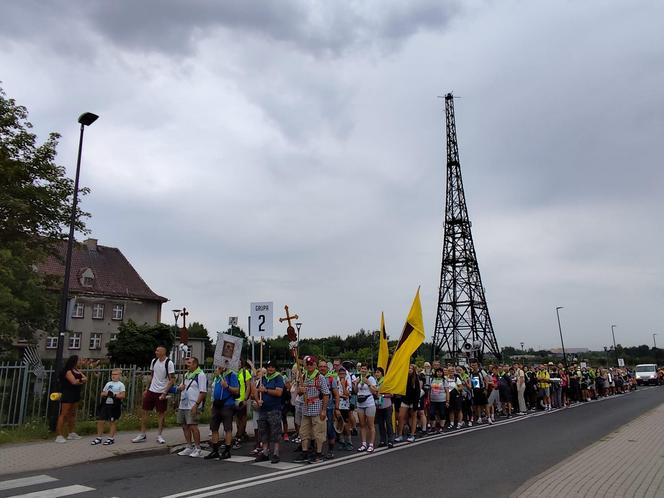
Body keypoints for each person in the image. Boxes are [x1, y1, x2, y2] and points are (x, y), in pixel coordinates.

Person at [133, 346, 175, 444]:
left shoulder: (169, 363)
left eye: (158, 351)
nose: (156, 352)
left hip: (161, 391)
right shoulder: (154, 361)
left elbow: (172, 379)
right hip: (152, 390)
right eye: (156, 350)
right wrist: (147, 389)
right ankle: (142, 434)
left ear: (163, 352)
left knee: (161, 413)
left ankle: (159, 435)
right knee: (144, 411)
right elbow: (152, 376)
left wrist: (165, 392)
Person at [293, 355, 330, 464]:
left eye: (311, 364)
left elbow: (326, 394)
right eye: (307, 364)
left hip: (317, 408)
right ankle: (305, 452)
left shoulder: (320, 377)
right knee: (304, 432)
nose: (309, 366)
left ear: (315, 365)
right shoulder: (303, 376)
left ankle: (318, 453)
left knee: (318, 432)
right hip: (306, 409)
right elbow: (299, 393)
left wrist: (324, 410)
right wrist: (300, 390)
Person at [205, 365, 239, 460]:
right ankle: (215, 450)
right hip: (217, 404)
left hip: (227, 404)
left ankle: (227, 450)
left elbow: (236, 390)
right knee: (214, 427)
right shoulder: (218, 376)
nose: (220, 367)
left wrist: (227, 386)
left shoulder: (231, 375)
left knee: (227, 428)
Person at [253, 360, 285, 464]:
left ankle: (276, 453)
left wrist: (266, 390)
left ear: (275, 368)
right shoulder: (263, 378)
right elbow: (256, 391)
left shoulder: (278, 377)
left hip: (274, 409)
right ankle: (265, 452)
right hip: (263, 409)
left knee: (275, 432)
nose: (270, 369)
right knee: (264, 431)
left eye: (272, 367)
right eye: (269, 367)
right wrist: (258, 401)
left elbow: (279, 392)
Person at [176, 357, 208, 458]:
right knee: (184, 426)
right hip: (184, 404)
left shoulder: (201, 375)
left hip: (193, 404)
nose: (187, 365)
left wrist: (197, 405)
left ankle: (198, 448)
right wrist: (180, 388)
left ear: (195, 364)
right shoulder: (186, 374)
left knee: (193, 426)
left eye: (189, 363)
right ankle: (189, 446)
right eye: (187, 363)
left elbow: (203, 392)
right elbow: (182, 386)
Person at [55, 355, 87, 443]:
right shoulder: (68, 371)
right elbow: (73, 382)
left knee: (72, 414)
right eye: (79, 360)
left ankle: (71, 433)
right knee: (64, 413)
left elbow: (85, 378)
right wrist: (80, 380)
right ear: (74, 361)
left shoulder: (76, 370)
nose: (80, 361)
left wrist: (80, 380)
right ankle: (59, 435)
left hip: (76, 393)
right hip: (68, 393)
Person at [91, 368, 125, 446]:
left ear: (119, 375)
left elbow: (122, 395)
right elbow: (102, 393)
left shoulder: (121, 384)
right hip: (106, 404)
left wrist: (114, 395)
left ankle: (111, 438)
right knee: (101, 420)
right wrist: (106, 394)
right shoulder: (108, 383)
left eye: (115, 374)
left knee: (112, 421)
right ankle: (99, 438)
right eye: (112, 374)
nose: (113, 376)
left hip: (114, 405)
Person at [353, 364, 377, 452]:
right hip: (360, 403)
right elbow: (355, 391)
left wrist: (368, 383)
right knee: (362, 425)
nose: (363, 370)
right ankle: (363, 443)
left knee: (371, 425)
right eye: (362, 369)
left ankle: (371, 444)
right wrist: (356, 384)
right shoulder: (358, 378)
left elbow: (375, 391)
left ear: (368, 370)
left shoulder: (370, 378)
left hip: (369, 403)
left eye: (364, 369)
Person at [319, 360, 340, 459]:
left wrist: (337, 408)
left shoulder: (331, 379)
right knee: (319, 430)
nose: (322, 368)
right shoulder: (316, 378)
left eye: (324, 367)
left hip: (329, 408)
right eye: (321, 366)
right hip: (317, 408)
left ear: (327, 368)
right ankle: (319, 450)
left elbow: (336, 395)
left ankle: (331, 450)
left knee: (329, 429)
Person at [395, 364, 419, 442]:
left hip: (413, 400)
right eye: (408, 368)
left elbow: (417, 392)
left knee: (413, 417)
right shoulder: (404, 378)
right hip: (405, 400)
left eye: (411, 368)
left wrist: (416, 403)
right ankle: (400, 435)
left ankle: (412, 435)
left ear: (413, 370)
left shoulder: (415, 379)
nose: (409, 369)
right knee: (400, 416)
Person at [232, 359, 253, 449]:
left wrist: (245, 398)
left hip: (241, 398)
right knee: (237, 419)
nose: (238, 364)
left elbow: (248, 386)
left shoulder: (245, 373)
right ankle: (241, 433)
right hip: (234, 398)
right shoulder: (232, 373)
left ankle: (238, 437)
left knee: (242, 418)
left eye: (239, 363)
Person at [337, 367, 353, 450]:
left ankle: (349, 441)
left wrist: (343, 385)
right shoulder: (336, 381)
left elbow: (347, 395)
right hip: (337, 405)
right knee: (339, 424)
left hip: (345, 406)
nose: (341, 375)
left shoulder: (347, 382)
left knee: (346, 424)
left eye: (343, 374)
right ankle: (342, 441)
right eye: (340, 374)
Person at [469, 359, 488, 424]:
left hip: (482, 389)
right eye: (472, 365)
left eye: (475, 365)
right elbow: (471, 382)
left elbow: (486, 380)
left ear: (477, 365)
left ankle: (488, 417)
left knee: (485, 404)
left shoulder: (481, 371)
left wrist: (486, 389)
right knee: (478, 405)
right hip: (475, 390)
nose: (474, 366)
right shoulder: (471, 373)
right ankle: (479, 417)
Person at [429, 367, 448, 432]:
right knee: (431, 413)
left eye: (440, 372)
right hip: (433, 400)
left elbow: (447, 391)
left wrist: (447, 401)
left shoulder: (444, 380)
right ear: (435, 372)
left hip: (442, 400)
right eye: (438, 372)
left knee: (442, 413)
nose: (439, 373)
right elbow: (429, 390)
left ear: (442, 373)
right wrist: (429, 399)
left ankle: (441, 427)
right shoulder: (432, 379)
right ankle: (433, 427)